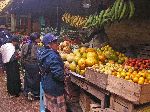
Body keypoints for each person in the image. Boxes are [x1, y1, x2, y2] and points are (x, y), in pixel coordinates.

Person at [37, 33, 67, 112]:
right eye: (55, 42)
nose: (57, 44)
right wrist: (65, 76)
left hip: (47, 84)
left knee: (49, 107)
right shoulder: (53, 56)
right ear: (49, 45)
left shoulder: (43, 53)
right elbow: (58, 74)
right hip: (55, 87)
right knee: (57, 109)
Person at [21, 32, 41, 100]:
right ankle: (34, 93)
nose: (40, 39)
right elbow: (39, 58)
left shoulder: (25, 45)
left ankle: (27, 91)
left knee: (27, 77)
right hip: (34, 64)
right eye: (38, 38)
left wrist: (23, 64)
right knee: (35, 79)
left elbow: (22, 56)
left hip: (27, 64)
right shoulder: (37, 47)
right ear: (35, 39)